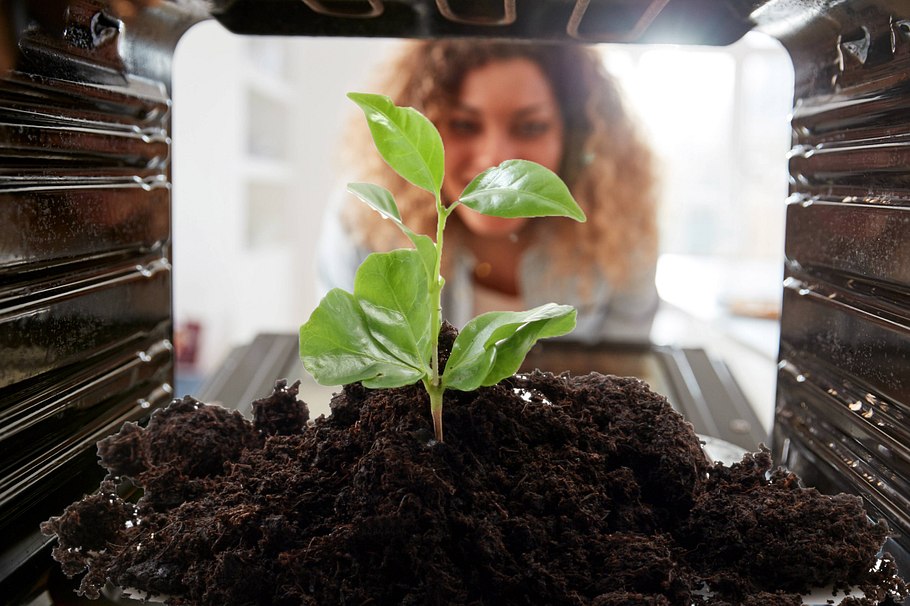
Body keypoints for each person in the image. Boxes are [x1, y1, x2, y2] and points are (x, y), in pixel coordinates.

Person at [316, 39, 659, 344]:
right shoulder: (366, 223)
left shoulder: (619, 233)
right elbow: (356, 369)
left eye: (530, 127)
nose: (495, 159)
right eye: (464, 125)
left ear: (573, 137)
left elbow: (628, 376)